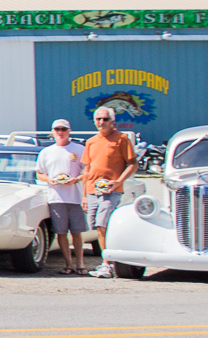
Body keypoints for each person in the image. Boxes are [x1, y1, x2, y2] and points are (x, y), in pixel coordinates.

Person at [82, 106, 138, 278]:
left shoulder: (122, 139)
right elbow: (87, 169)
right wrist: (84, 195)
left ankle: (108, 264)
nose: (101, 122)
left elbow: (133, 164)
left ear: (113, 121)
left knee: (102, 224)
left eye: (105, 119)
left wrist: (118, 182)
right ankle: (109, 260)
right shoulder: (91, 141)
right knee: (96, 227)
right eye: (98, 119)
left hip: (111, 191)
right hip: (92, 190)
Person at [35, 117, 86, 274]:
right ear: (53, 132)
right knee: (61, 232)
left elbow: (88, 170)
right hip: (56, 197)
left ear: (69, 131)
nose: (60, 132)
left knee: (77, 232)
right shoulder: (46, 152)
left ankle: (80, 264)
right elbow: (39, 173)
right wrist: (49, 179)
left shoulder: (79, 149)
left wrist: (76, 179)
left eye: (63, 129)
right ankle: (68, 264)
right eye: (57, 130)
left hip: (75, 197)